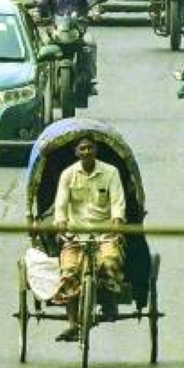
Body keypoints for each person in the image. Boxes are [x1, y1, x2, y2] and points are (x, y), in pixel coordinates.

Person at [51, 133, 127, 343]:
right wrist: (60, 225)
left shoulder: (111, 172)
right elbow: (60, 204)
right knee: (68, 271)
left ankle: (109, 300)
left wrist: (117, 225)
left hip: (104, 232)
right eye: (82, 149)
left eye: (90, 148)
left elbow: (118, 204)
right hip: (76, 233)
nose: (86, 152)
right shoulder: (68, 174)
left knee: (110, 262)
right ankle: (73, 323)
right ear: (76, 152)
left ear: (96, 150)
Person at [36, 0, 99, 95]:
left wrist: (95, 11)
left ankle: (90, 79)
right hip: (56, 29)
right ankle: (39, 82)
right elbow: (41, 4)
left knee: (90, 44)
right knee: (41, 48)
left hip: (78, 28)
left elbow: (93, 1)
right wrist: (38, 15)